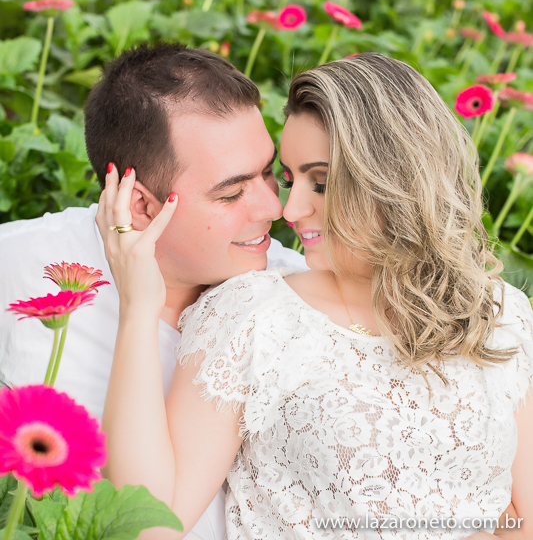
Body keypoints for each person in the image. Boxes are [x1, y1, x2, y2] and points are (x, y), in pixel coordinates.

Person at [100, 52, 533, 539]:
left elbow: (523, 515)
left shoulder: (498, 313)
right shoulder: (251, 315)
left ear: (396, 181)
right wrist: (137, 309)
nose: (289, 208)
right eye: (289, 178)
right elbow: (147, 526)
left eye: (320, 182)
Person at [0, 43, 306, 540]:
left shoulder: (297, 292)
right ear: (139, 204)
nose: (273, 207)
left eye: (269, 172)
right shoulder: (21, 264)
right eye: (231, 193)